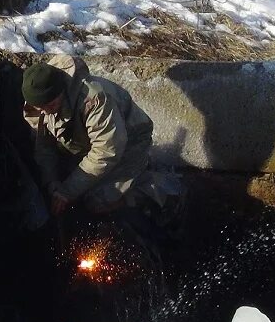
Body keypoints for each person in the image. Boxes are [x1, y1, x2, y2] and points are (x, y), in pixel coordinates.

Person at [21, 56, 171, 226]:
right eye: (41, 108)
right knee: (65, 183)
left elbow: (106, 151)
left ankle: (156, 188)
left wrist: (67, 191)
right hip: (85, 145)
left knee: (96, 201)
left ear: (61, 92)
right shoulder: (37, 103)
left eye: (52, 105)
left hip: (129, 143)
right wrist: (52, 183)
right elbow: (44, 148)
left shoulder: (93, 99)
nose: (46, 112)